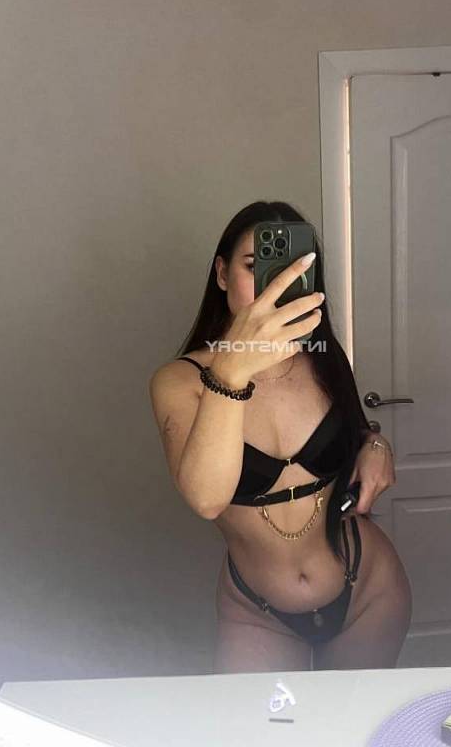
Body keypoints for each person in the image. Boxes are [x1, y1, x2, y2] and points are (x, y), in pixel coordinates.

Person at [149, 200, 412, 673]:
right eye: (255, 267)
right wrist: (231, 368)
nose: (273, 286)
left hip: (368, 588)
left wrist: (376, 445)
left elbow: (357, 430)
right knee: (256, 719)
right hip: (257, 612)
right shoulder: (180, 382)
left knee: (353, 718)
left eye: (292, 271)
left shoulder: (323, 356)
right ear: (222, 274)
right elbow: (207, 499)